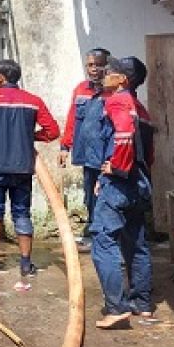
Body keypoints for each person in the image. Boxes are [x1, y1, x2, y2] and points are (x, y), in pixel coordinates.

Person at [0, 59, 60, 276]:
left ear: (1, 78)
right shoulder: (33, 101)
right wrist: (29, 136)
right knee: (22, 213)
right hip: (22, 167)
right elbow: (52, 131)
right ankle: (26, 264)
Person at [92, 56, 156, 329]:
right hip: (139, 182)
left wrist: (116, 168)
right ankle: (142, 303)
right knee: (136, 242)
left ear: (122, 80)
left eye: (110, 72)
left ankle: (116, 307)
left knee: (103, 239)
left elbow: (123, 135)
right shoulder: (141, 110)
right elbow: (149, 154)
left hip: (120, 184)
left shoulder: (117, 101)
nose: (104, 75)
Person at [58, 47, 111, 250]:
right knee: (90, 195)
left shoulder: (113, 92)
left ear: (107, 66)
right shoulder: (80, 90)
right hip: (88, 156)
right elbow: (72, 119)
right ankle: (94, 231)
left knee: (107, 195)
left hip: (107, 156)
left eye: (98, 65)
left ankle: (106, 235)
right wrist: (65, 146)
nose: (94, 69)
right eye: (90, 65)